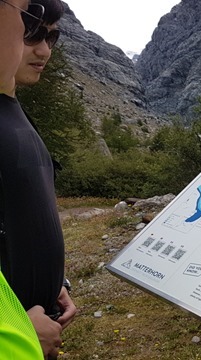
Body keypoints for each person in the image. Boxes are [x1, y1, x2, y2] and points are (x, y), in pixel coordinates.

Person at [1, 0, 72, 357]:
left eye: (52, 37)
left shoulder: (13, 113)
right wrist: (15, 329)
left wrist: (53, 281)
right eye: (31, 30)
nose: (43, 50)